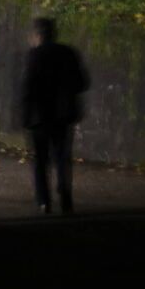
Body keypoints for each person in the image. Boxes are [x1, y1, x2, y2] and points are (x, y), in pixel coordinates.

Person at [20, 16, 91, 215]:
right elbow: (82, 83)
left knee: (41, 160)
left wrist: (25, 115)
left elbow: (28, 87)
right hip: (63, 114)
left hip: (40, 116)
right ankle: (65, 195)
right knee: (62, 157)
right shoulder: (68, 53)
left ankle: (44, 200)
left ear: (37, 35)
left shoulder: (34, 55)